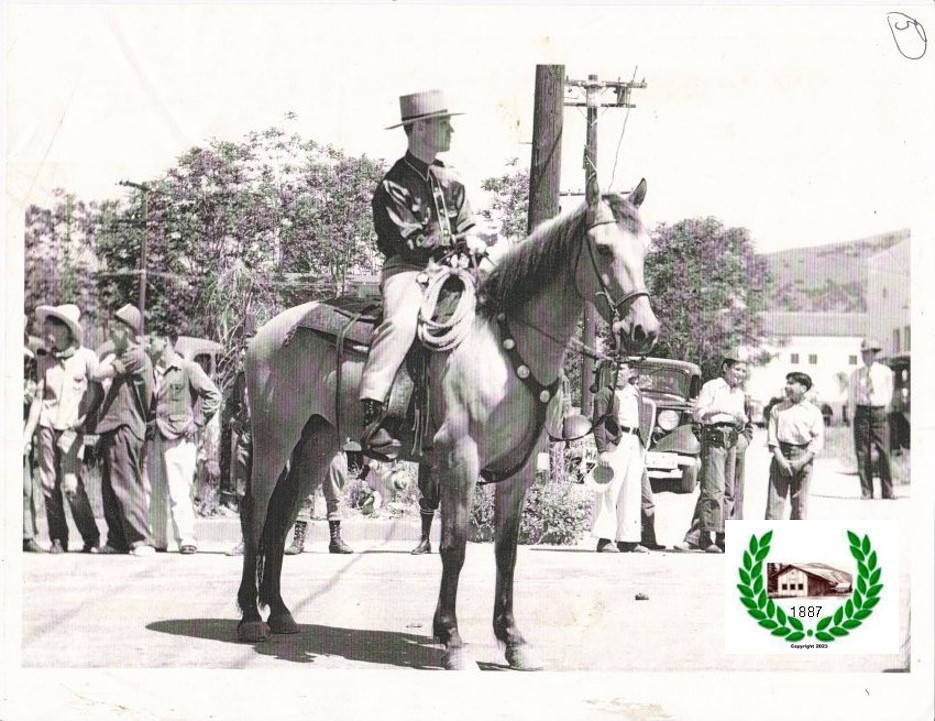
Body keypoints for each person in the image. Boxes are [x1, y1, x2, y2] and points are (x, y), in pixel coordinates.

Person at [358, 89, 491, 459]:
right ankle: (373, 411)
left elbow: (466, 227)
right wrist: (457, 238)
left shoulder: (451, 179)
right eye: (443, 122)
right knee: (402, 321)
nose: (451, 130)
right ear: (419, 129)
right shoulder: (393, 185)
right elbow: (409, 243)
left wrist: (477, 242)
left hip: (454, 268)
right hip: (410, 270)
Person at [22, 304, 102, 554]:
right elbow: (38, 399)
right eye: (46, 328)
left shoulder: (87, 358)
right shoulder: (43, 360)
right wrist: (26, 437)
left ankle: (91, 538)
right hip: (46, 426)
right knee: (48, 484)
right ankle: (58, 538)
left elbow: (98, 393)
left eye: (53, 327)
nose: (47, 333)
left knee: (71, 484)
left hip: (72, 429)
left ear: (67, 330)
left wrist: (85, 420)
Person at [85, 304, 156, 556]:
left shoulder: (135, 355)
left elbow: (99, 373)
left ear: (127, 331)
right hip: (114, 428)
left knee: (125, 484)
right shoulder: (129, 355)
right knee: (110, 487)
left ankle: (139, 540)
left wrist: (98, 356)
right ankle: (117, 540)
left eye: (115, 329)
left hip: (124, 427)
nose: (110, 334)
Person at [146, 329, 222, 554]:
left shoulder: (187, 368)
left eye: (152, 339)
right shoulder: (153, 371)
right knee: (154, 490)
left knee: (179, 490)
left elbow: (213, 395)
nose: (149, 344)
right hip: (155, 436)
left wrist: (197, 423)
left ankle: (187, 538)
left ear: (164, 341)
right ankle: (157, 538)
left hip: (179, 437)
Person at [673, 355, 748, 554]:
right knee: (712, 489)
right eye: (737, 369)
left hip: (732, 438)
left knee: (728, 490)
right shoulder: (712, 387)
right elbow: (698, 413)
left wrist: (742, 420)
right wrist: (720, 409)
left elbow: (741, 419)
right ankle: (705, 537)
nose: (740, 375)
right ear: (726, 368)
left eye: (743, 371)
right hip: (714, 436)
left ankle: (722, 536)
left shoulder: (739, 393)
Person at [590, 361, 654, 553]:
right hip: (616, 443)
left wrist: (644, 441)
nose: (618, 373)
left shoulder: (635, 393)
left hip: (635, 443)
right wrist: (602, 450)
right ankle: (605, 538)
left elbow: (642, 417)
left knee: (632, 490)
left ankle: (629, 539)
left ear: (631, 372)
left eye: (623, 369)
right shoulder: (605, 394)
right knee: (609, 491)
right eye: (615, 369)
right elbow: (599, 423)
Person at [765, 372, 824, 520]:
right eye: (787, 383)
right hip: (780, 457)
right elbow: (772, 439)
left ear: (803, 388)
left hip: (803, 457)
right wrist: (780, 460)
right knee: (774, 507)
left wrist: (801, 462)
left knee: (799, 507)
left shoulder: (813, 412)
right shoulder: (777, 409)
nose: (787, 386)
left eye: (791, 383)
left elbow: (817, 441)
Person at [847, 338, 894, 500]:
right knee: (862, 452)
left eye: (868, 353)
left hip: (879, 412)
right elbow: (851, 396)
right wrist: (851, 413)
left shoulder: (885, 372)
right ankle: (867, 491)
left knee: (884, 451)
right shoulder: (855, 374)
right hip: (861, 413)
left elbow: (889, 393)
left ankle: (888, 491)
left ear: (875, 354)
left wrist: (883, 408)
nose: (865, 356)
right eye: (863, 353)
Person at [284, 452, 354, 555]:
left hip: (333, 442)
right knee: (304, 491)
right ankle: (298, 539)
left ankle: (336, 539)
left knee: (334, 489)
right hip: (310, 443)